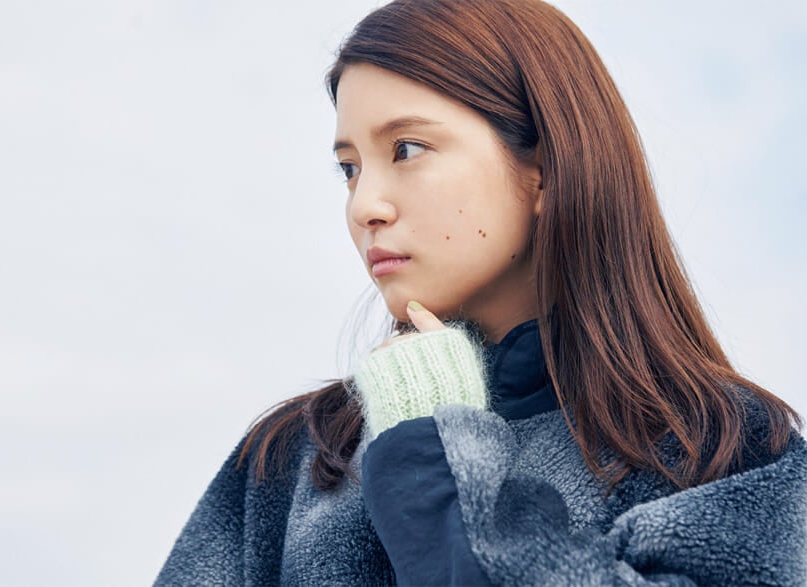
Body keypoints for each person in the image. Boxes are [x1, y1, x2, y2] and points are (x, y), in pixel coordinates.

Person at [154, 0, 807, 584]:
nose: (364, 205)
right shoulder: (287, 462)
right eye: (349, 168)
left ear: (546, 169)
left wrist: (431, 461)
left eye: (407, 148)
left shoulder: (732, 452)